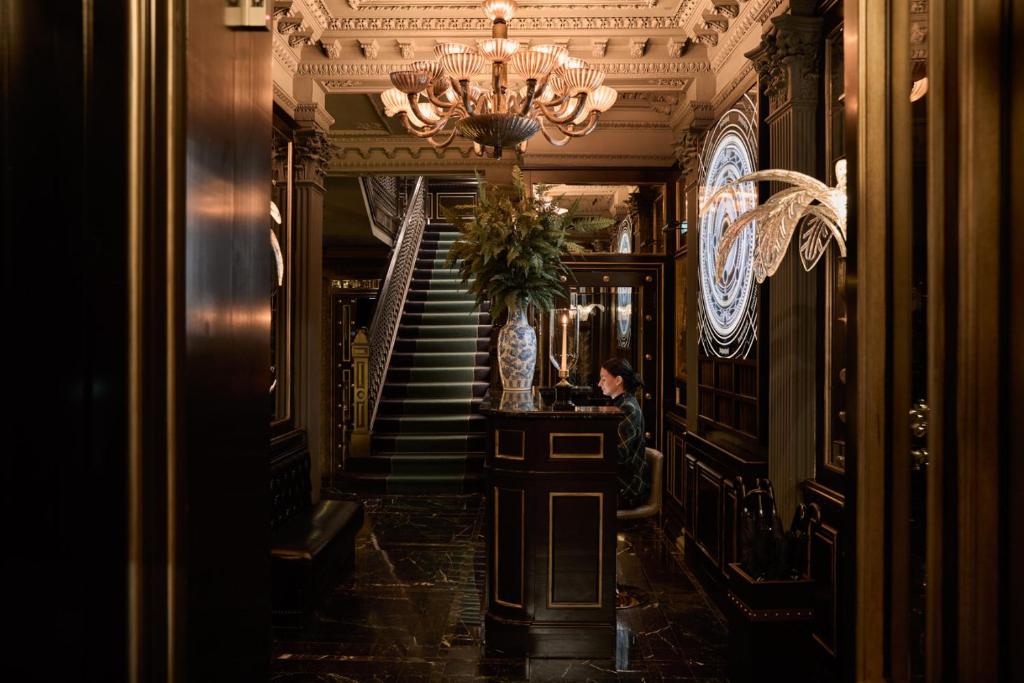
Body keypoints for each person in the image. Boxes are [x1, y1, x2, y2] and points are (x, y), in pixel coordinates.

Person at [597, 357, 650, 509]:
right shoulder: (619, 403)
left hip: (627, 489)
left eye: (603, 379)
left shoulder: (628, 408)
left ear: (618, 380)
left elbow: (619, 455)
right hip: (618, 481)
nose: (599, 384)